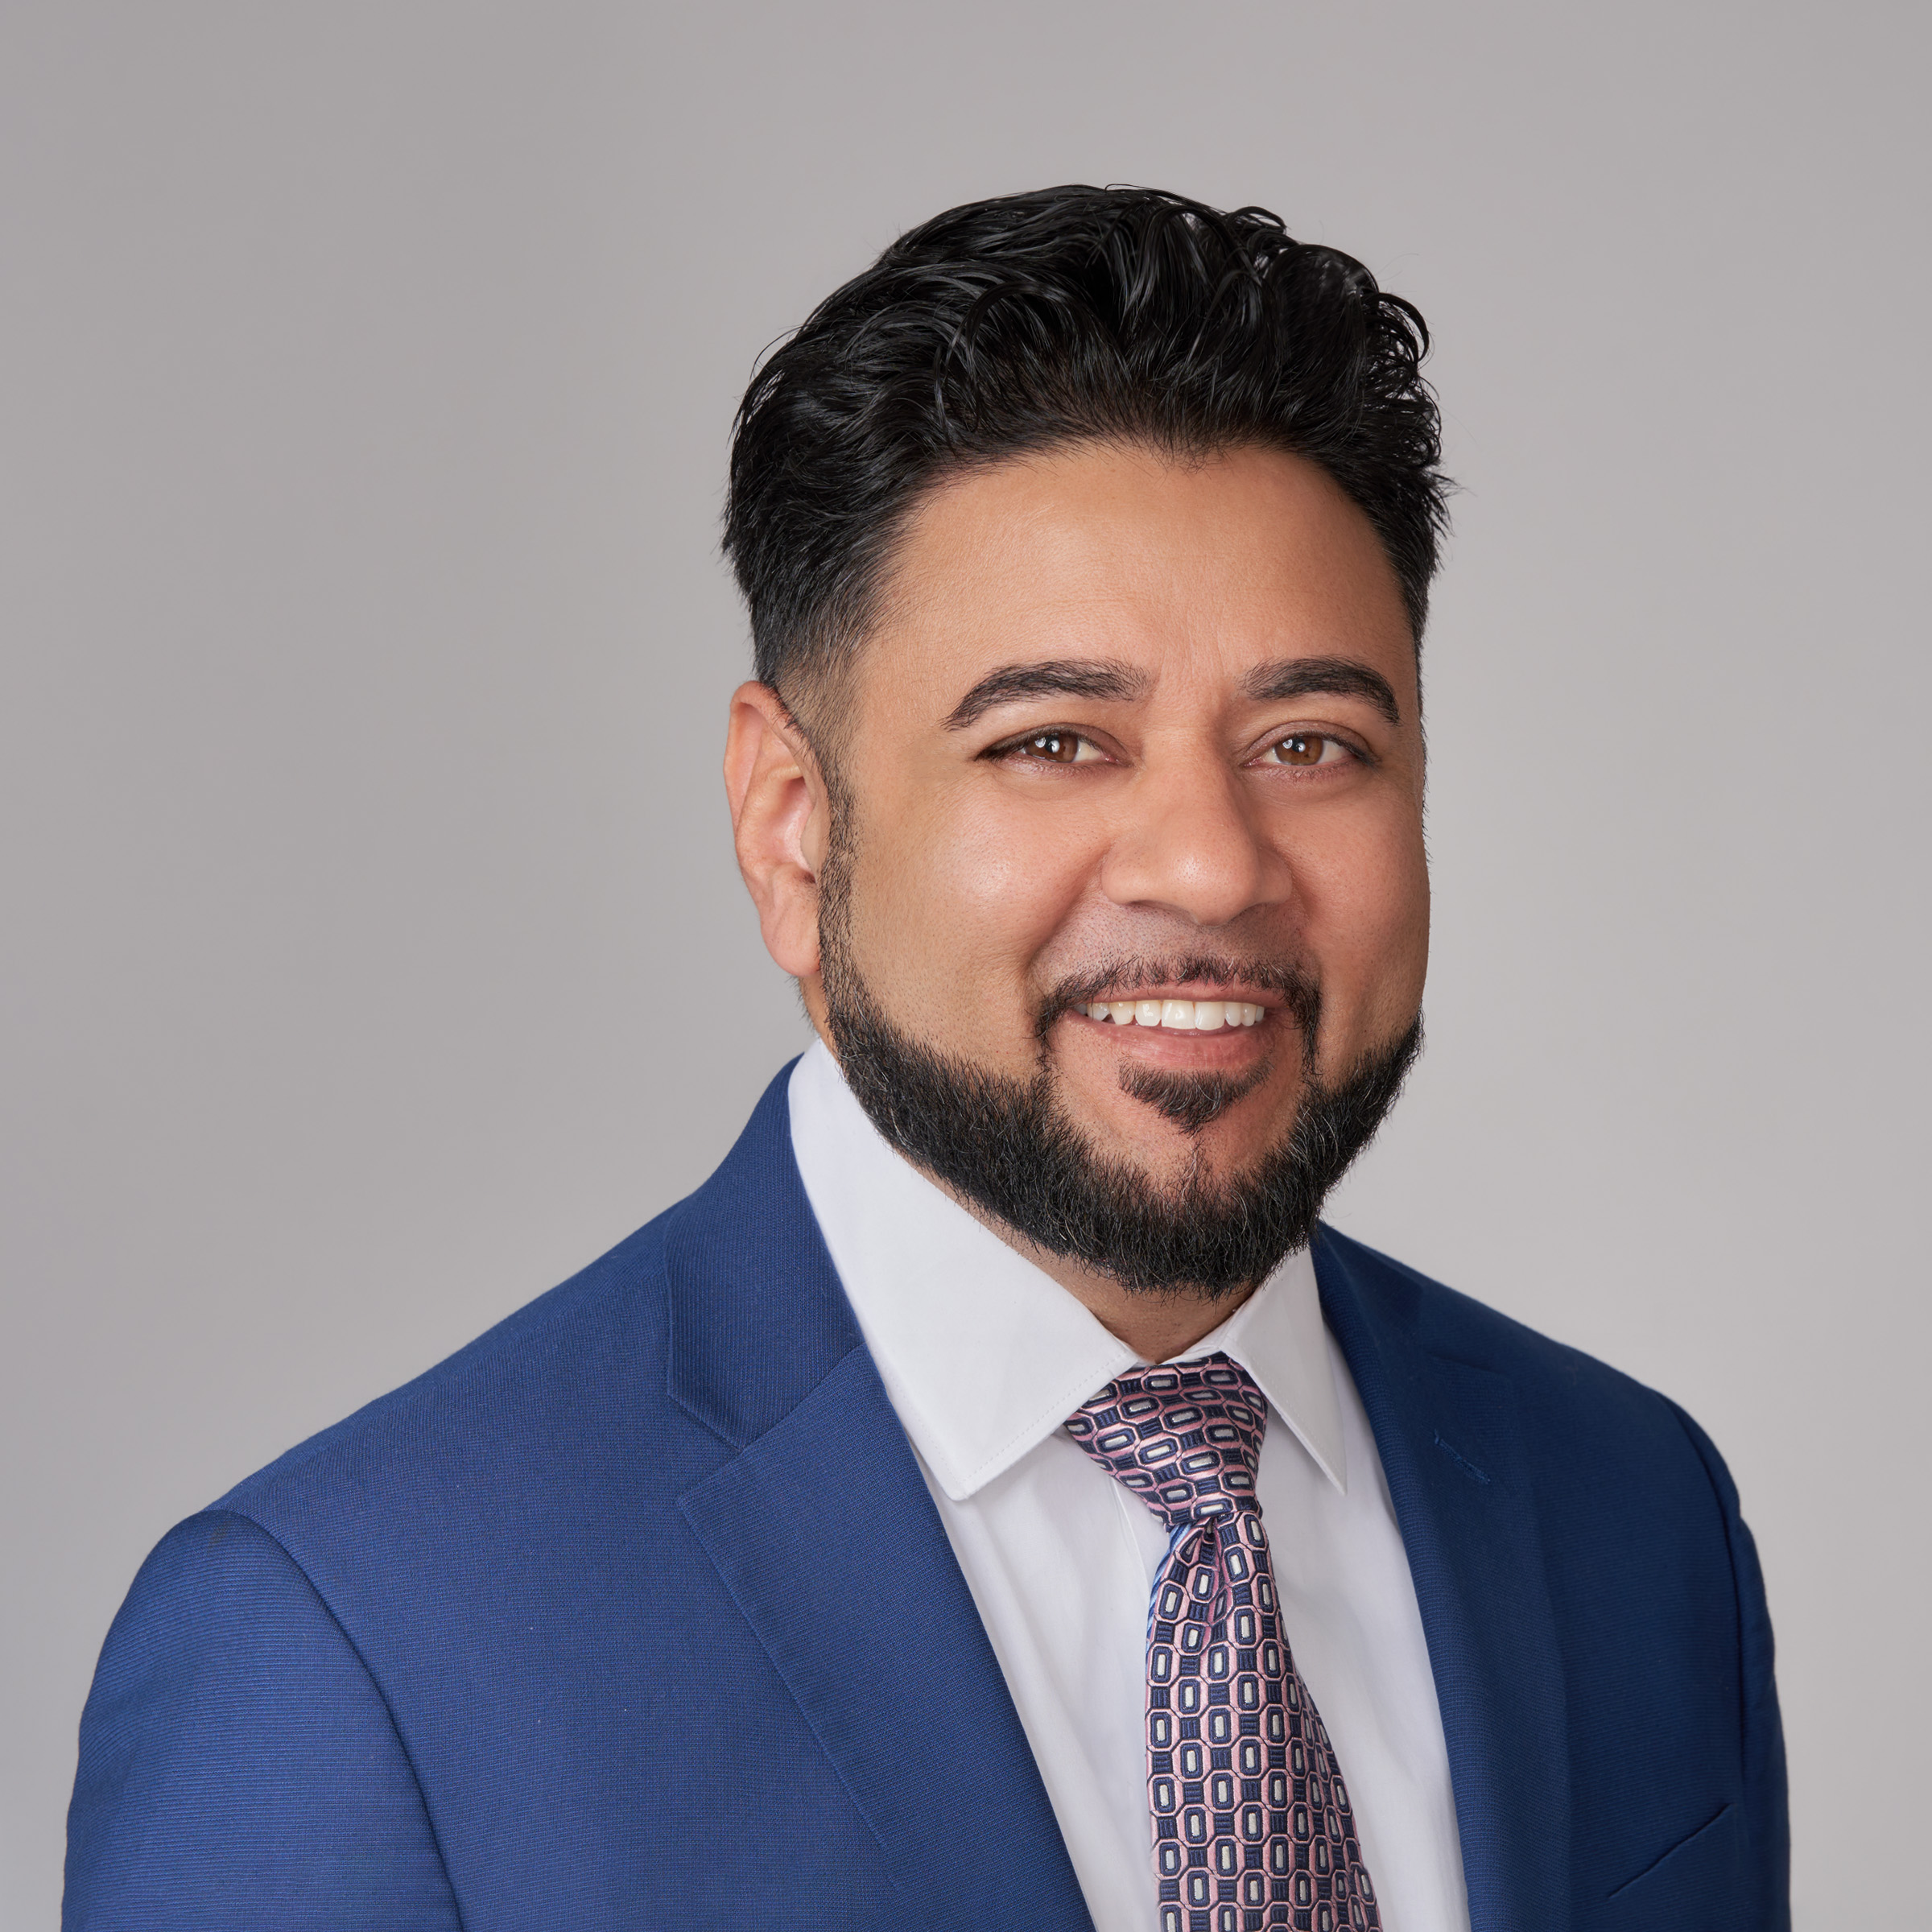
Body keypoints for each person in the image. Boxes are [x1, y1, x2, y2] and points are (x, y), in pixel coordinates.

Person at [62, 186, 1788, 1932]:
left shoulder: (1635, 1515)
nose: (1212, 866)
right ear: (792, 827)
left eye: (1310, 742)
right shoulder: (353, 1649)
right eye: (1054, 741)